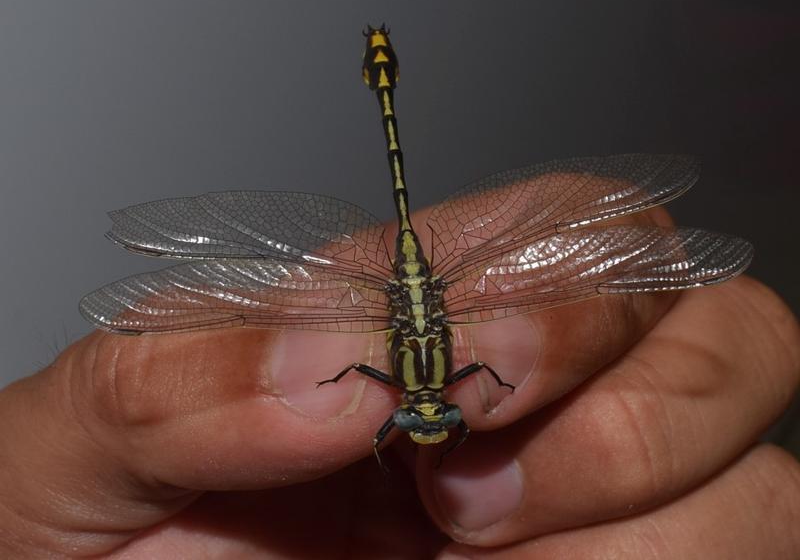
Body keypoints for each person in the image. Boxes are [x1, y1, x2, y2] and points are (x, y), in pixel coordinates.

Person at [1, 206, 798, 559]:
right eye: (426, 418)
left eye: (427, 416)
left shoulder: (427, 389)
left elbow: (472, 365)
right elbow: (374, 371)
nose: (422, 418)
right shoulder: (407, 394)